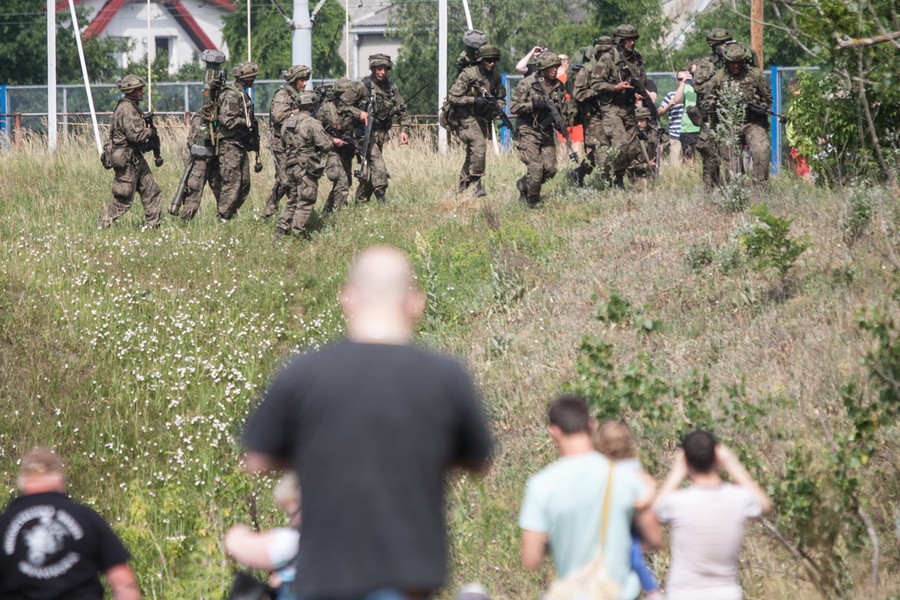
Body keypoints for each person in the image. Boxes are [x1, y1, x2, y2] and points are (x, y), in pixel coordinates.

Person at [240, 245, 494, 599]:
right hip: (409, 579)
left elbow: (256, 457)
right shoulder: (445, 376)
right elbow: (478, 460)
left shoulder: (304, 372)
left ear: (348, 298)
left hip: (323, 576)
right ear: (415, 304)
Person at [519, 395, 661, 600]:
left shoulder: (540, 486)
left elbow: (530, 559)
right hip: (620, 593)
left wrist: (557, 539)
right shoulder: (625, 478)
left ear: (554, 432)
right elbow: (655, 539)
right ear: (592, 425)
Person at [0, 447, 140, 600]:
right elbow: (124, 583)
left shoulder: (4, 524)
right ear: (59, 480)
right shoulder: (87, 518)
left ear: (22, 482)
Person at [654, 431, 772, 599]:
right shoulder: (738, 499)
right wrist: (733, 465)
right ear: (717, 457)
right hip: (725, 593)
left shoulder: (678, 503)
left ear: (685, 461)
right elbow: (765, 505)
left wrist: (677, 471)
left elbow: (653, 512)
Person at [595, 421, 663, 600]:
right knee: (635, 558)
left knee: (633, 557)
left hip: (614, 529)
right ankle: (652, 590)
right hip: (627, 523)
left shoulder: (601, 471)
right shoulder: (634, 468)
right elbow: (650, 486)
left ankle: (652, 589)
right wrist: (645, 501)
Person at [275, 91, 345, 239]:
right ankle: (298, 233)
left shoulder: (287, 123)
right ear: (313, 105)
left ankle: (280, 230)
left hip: (289, 166)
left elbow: (281, 143)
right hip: (305, 168)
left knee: (293, 199)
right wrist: (332, 141)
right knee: (306, 200)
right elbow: (325, 145)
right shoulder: (313, 123)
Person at [590, 24, 651, 188]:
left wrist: (640, 92)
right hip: (612, 108)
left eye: (633, 39)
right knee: (621, 144)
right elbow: (595, 83)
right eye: (627, 40)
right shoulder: (607, 58)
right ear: (620, 40)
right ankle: (609, 176)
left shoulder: (637, 58)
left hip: (629, 107)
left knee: (632, 149)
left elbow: (642, 80)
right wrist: (614, 88)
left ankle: (618, 176)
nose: (631, 43)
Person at [99, 74, 162, 229]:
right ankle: (103, 224)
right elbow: (135, 136)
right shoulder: (128, 109)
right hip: (128, 161)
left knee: (151, 190)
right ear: (132, 91)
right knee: (123, 198)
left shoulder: (128, 106)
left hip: (135, 158)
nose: (142, 92)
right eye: (139, 89)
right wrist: (149, 132)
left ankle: (154, 226)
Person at [225, 472, 302, 600]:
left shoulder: (295, 542)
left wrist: (238, 531)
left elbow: (237, 543)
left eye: (292, 513)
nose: (292, 521)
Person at [705, 42, 773, 185]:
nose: (736, 66)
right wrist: (721, 104)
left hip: (752, 123)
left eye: (738, 62)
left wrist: (759, 108)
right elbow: (706, 102)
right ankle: (737, 195)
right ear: (727, 62)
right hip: (729, 125)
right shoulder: (718, 77)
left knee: (762, 150)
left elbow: (768, 99)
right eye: (732, 63)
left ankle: (760, 190)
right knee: (733, 165)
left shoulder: (754, 75)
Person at [509, 51, 569, 208]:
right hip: (528, 129)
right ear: (542, 68)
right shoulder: (528, 83)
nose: (555, 70)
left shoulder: (559, 86)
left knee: (550, 169)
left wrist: (561, 122)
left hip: (546, 131)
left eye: (556, 66)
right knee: (536, 167)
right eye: (551, 67)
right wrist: (534, 105)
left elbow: (563, 109)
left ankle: (523, 184)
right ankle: (533, 202)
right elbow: (514, 106)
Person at [350, 54, 411, 204]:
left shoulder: (391, 87)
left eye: (384, 69)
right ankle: (381, 195)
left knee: (369, 172)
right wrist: (360, 113)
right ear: (373, 69)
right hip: (365, 135)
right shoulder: (362, 86)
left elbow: (403, 110)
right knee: (378, 164)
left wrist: (404, 130)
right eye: (379, 69)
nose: (382, 72)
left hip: (381, 134)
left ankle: (361, 201)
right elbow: (345, 106)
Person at [447, 43, 505, 196]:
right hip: (463, 117)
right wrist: (473, 100)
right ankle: (476, 183)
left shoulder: (495, 77)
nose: (491, 63)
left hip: (481, 118)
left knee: (472, 154)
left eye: (494, 60)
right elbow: (453, 97)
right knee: (479, 144)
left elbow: (501, 98)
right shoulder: (468, 74)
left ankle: (460, 190)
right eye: (488, 60)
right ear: (480, 60)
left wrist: (495, 108)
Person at [263, 64, 311, 220]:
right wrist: (300, 111)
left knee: (286, 178)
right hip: (279, 142)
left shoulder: (298, 94)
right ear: (294, 80)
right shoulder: (283, 95)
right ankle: (273, 213)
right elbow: (279, 116)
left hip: (292, 143)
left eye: (306, 79)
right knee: (285, 179)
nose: (304, 83)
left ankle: (272, 211)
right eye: (301, 80)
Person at [215, 61, 260, 221]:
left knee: (245, 183)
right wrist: (245, 122)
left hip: (239, 143)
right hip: (229, 144)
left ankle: (230, 214)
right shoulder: (232, 94)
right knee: (232, 183)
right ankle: (223, 218)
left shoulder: (242, 93)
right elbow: (227, 120)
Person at [570, 35, 617, 186]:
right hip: (593, 115)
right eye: (606, 51)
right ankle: (608, 183)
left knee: (610, 146)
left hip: (610, 112)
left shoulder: (612, 67)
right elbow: (578, 94)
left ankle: (579, 172)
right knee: (601, 147)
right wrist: (597, 91)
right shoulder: (588, 69)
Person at [318, 77, 366, 213]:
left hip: (346, 150)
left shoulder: (353, 109)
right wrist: (332, 140)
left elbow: (359, 128)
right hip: (331, 149)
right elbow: (316, 131)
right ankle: (338, 214)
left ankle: (327, 212)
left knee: (346, 182)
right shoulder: (326, 108)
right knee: (341, 181)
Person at [175, 111, 221, 221]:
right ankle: (186, 220)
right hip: (200, 160)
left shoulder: (221, 116)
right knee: (193, 191)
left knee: (222, 191)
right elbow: (191, 142)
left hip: (216, 158)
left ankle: (225, 219)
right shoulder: (200, 117)